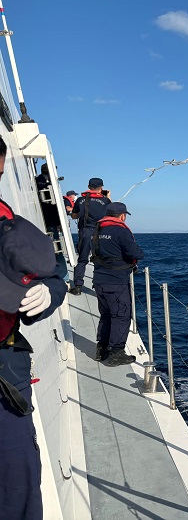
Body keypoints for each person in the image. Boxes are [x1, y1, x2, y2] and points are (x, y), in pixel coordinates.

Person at [0, 138, 68, 520]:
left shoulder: (12, 227)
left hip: (5, 369)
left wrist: (51, 291)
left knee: (19, 476)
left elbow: (51, 274)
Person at [90, 202, 144, 365]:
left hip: (99, 280)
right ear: (122, 216)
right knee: (121, 316)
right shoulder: (121, 231)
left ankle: (102, 348)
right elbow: (136, 253)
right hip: (116, 282)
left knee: (106, 315)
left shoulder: (97, 230)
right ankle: (116, 353)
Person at [69, 177, 110, 295]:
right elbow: (111, 213)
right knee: (100, 259)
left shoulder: (81, 200)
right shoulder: (106, 201)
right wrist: (108, 197)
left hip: (85, 231)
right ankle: (100, 287)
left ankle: (77, 287)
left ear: (88, 187)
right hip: (101, 232)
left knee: (82, 259)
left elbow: (74, 216)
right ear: (101, 188)